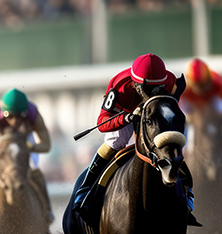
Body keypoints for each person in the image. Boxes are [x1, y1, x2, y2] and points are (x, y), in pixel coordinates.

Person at [73, 53, 196, 223]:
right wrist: (126, 118)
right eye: (148, 90)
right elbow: (101, 124)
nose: (152, 93)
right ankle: (85, 190)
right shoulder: (120, 87)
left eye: (157, 88)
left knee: (169, 139)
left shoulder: (169, 82)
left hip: (154, 115)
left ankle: (186, 188)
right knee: (116, 141)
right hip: (126, 114)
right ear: (135, 84)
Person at [0, 88, 54, 223]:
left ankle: (47, 211)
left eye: (19, 116)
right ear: (3, 113)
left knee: (35, 171)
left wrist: (30, 147)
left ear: (26, 113)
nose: (14, 121)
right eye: (10, 116)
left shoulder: (34, 114)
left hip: (25, 143)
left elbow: (46, 145)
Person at [180, 58, 222, 137]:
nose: (200, 89)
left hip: (211, 107)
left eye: (202, 85)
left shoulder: (218, 84)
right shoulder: (184, 89)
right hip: (194, 111)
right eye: (196, 85)